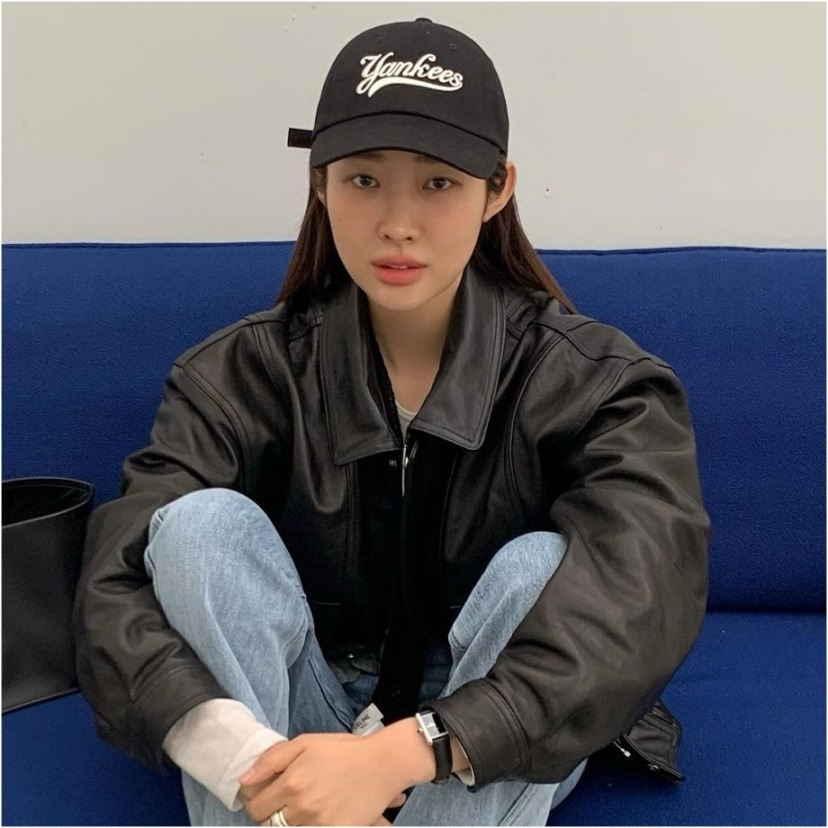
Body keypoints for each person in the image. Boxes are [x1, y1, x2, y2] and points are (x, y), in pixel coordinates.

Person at [73, 17, 710, 828]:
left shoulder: (600, 383)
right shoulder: (235, 375)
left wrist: (404, 752)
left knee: (540, 568)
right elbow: (114, 586)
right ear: (320, 184)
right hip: (291, 720)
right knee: (197, 530)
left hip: (491, 725)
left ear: (498, 189)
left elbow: (639, 595)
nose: (397, 222)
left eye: (438, 182)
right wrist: (251, 764)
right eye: (365, 179)